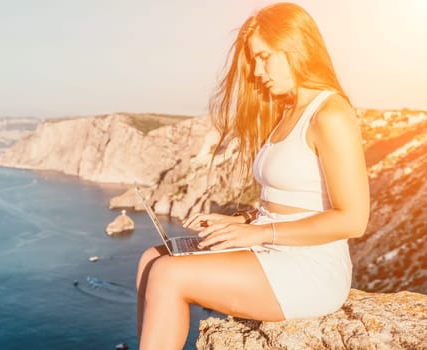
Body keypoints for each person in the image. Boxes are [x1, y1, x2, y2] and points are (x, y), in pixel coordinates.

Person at [136, 2, 370, 349]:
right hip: (272, 247)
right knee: (151, 259)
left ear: (295, 48)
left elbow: (353, 220)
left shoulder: (330, 114)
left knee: (169, 275)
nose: (258, 72)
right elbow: (289, 198)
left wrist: (259, 234)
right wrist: (238, 221)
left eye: (264, 57)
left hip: (310, 266)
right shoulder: (288, 110)